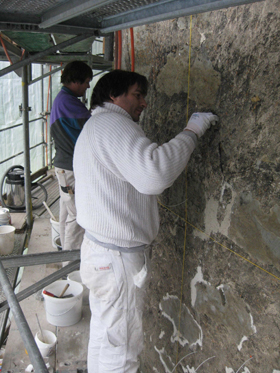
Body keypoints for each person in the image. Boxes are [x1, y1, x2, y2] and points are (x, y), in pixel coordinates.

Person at [73, 69, 218, 373]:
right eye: (137, 95)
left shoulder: (95, 126)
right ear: (114, 96)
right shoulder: (114, 124)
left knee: (105, 336)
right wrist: (191, 132)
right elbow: (155, 174)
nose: (144, 103)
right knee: (123, 350)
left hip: (99, 253)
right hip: (116, 261)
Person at [50, 60, 93, 252]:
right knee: (78, 217)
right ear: (75, 81)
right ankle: (71, 264)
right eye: (86, 82)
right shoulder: (68, 102)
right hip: (69, 168)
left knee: (67, 214)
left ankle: (64, 259)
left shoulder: (62, 99)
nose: (88, 86)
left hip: (63, 167)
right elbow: (92, 125)